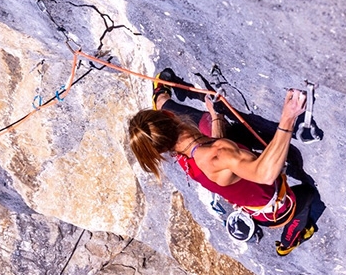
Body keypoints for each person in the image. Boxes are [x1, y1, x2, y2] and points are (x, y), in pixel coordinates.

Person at [128, 76, 317, 255]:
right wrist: (288, 118)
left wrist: (216, 116)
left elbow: (216, 147)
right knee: (308, 194)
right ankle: (287, 243)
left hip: (248, 201)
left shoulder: (184, 156)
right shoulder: (218, 153)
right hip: (276, 211)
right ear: (170, 115)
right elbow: (265, 174)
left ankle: (161, 97)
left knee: (214, 126)